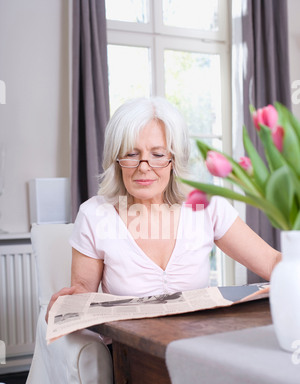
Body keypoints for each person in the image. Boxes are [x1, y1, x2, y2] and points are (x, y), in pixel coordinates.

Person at [46, 96, 281, 321]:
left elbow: (271, 263)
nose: (144, 167)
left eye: (157, 154)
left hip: (195, 342)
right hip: (129, 352)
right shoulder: (95, 215)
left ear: (174, 160)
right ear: (116, 161)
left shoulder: (206, 206)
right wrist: (69, 304)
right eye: (131, 154)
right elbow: (84, 293)